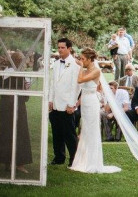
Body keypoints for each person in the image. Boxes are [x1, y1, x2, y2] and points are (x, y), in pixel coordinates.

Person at [69, 48, 120, 173]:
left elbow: (80, 80)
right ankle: (82, 161)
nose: (81, 61)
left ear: (90, 59)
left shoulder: (96, 71)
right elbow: (83, 89)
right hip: (85, 102)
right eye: (81, 59)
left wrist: (80, 67)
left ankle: (92, 163)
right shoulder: (86, 70)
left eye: (83, 59)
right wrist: (77, 102)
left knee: (92, 130)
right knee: (85, 130)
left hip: (92, 102)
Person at [0, 51, 32, 174]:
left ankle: (8, 162)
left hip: (5, 107)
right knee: (20, 133)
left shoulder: (5, 72)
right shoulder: (19, 74)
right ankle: (19, 164)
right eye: (22, 60)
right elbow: (25, 95)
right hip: (17, 106)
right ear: (18, 61)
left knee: (6, 133)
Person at [48, 38, 81, 167]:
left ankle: (74, 159)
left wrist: (72, 104)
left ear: (69, 48)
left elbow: (76, 86)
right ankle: (59, 157)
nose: (60, 50)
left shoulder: (75, 64)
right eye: (59, 47)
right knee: (56, 133)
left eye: (62, 47)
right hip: (55, 104)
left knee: (70, 134)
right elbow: (52, 83)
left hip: (67, 105)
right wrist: (50, 100)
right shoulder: (56, 64)